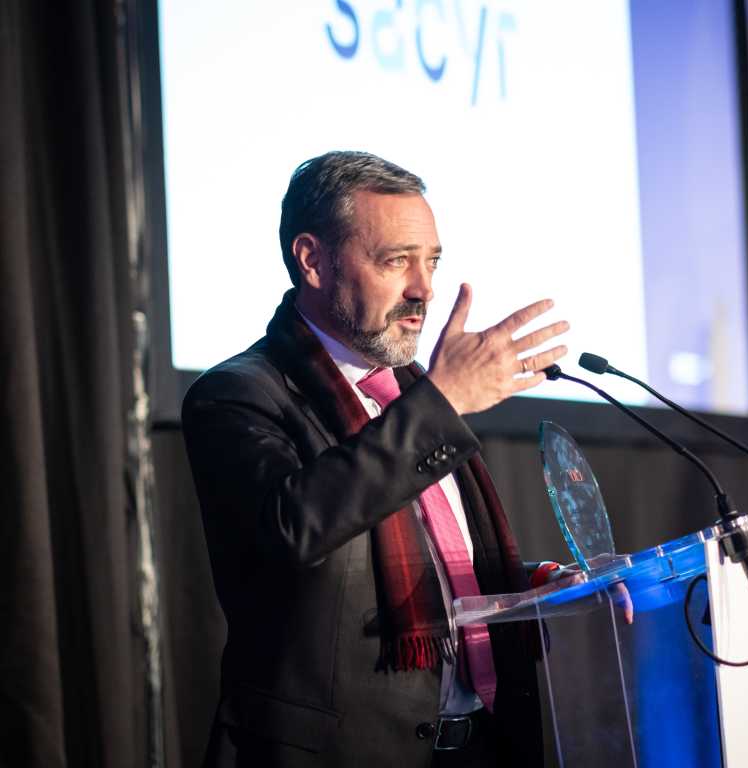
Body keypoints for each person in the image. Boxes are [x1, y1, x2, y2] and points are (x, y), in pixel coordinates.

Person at [181, 150, 571, 767]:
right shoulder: (239, 394)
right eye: (396, 261)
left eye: (432, 261)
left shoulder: (414, 396)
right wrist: (442, 403)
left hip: (483, 746)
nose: (425, 289)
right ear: (312, 260)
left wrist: (533, 584)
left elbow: (432, 566)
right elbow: (296, 528)